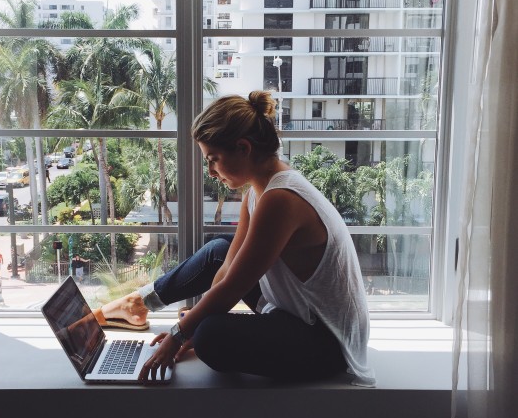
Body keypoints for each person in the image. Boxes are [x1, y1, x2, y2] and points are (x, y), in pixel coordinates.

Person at [96, 90, 375, 387]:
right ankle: (139, 302)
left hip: (325, 341)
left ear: (243, 148)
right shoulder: (258, 191)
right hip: (297, 312)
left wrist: (181, 333)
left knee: (210, 336)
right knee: (218, 251)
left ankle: (155, 311)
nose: (211, 172)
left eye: (213, 159)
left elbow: (233, 287)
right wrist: (189, 326)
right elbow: (227, 269)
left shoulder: (281, 198)